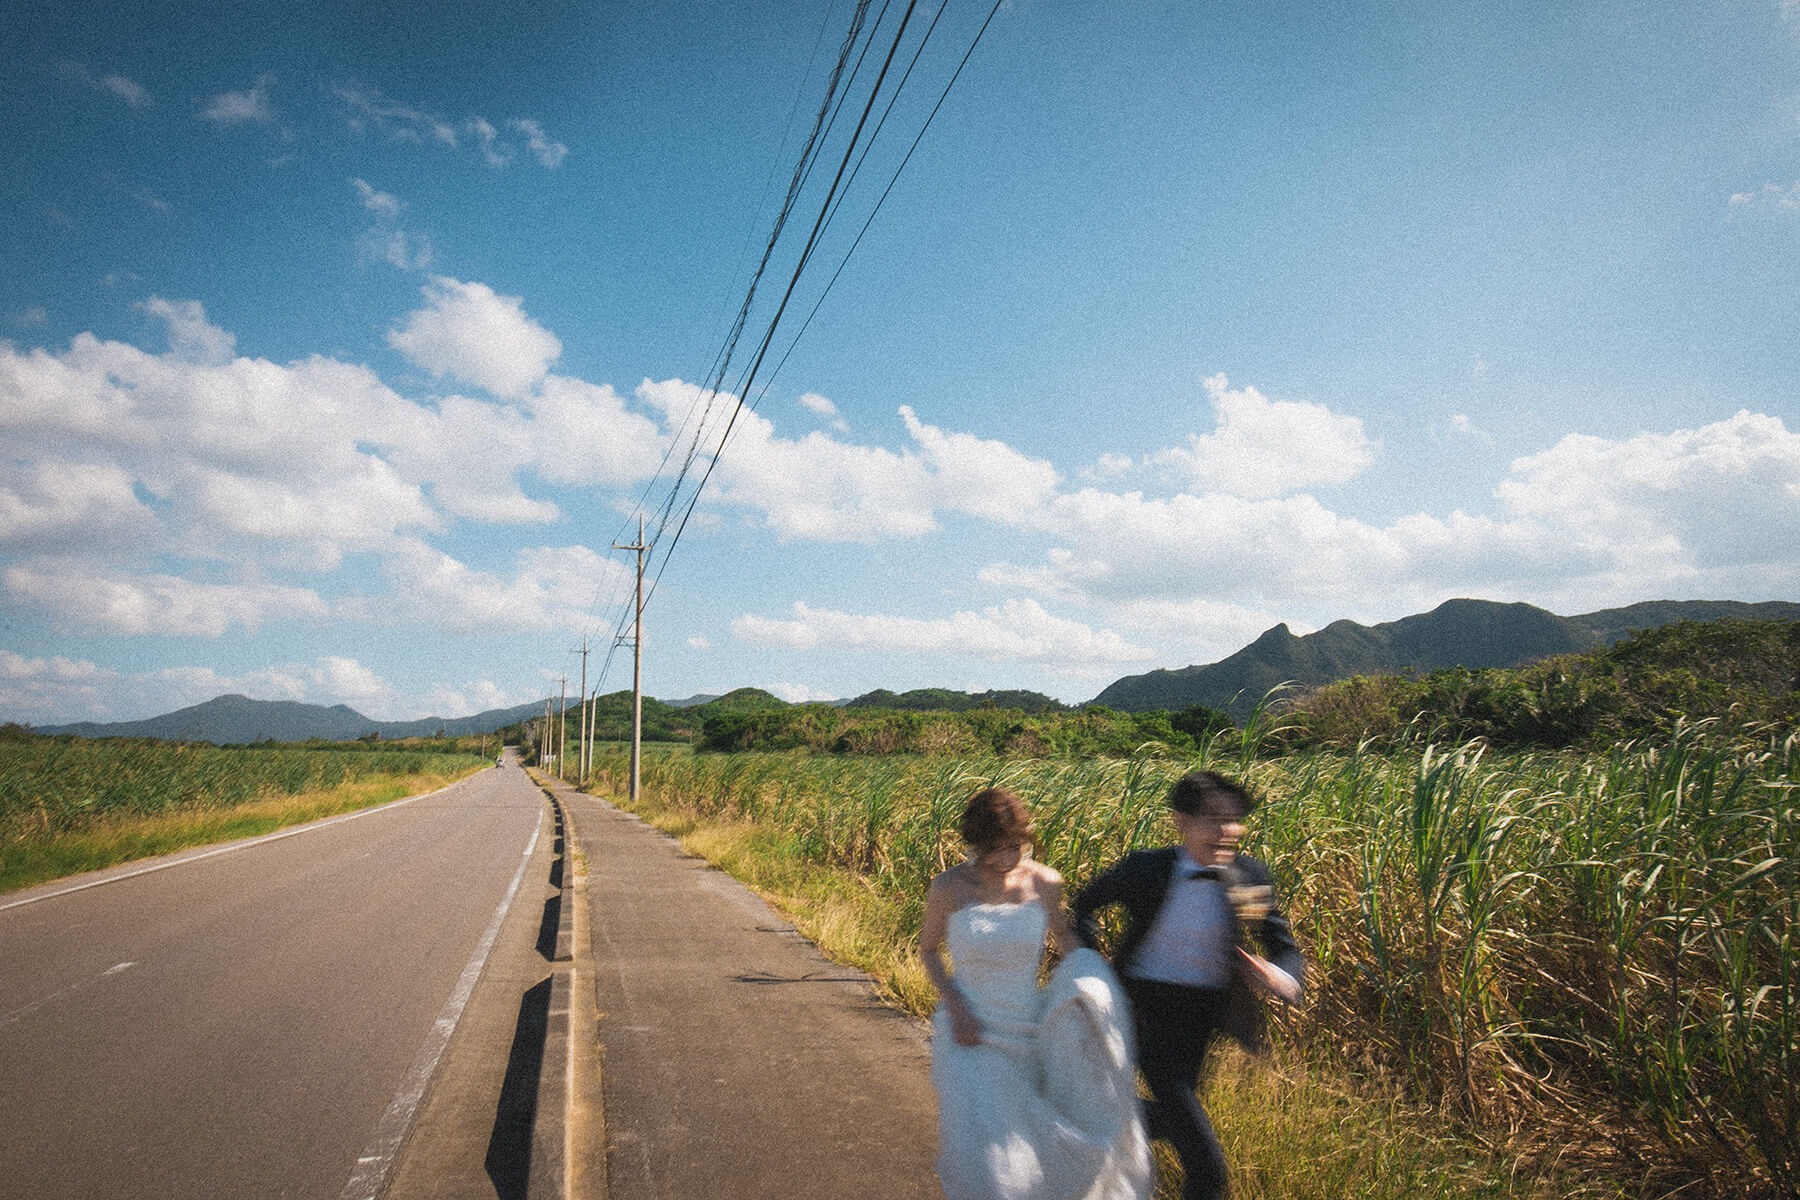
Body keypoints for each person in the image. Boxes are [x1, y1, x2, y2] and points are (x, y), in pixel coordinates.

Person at [1071, 771, 1303, 1200]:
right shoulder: (1147, 867)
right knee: (1205, 1160)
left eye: (1234, 820)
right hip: (1143, 1009)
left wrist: (1280, 976)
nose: (1227, 830)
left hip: (1203, 1018)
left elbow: (1281, 943)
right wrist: (1093, 964)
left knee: (1168, 1120)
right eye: (1213, 818)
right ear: (1180, 820)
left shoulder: (1248, 876)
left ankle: (1088, 1121)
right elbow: (1084, 904)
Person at [920, 787, 1151, 1200]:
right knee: (989, 1160)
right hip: (968, 1033)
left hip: (1027, 1028)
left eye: (1014, 847)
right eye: (994, 850)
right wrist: (956, 1008)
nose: (1006, 859)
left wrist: (1099, 986)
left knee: (1025, 1151)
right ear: (974, 845)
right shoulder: (948, 887)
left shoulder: (1044, 882)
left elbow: (1064, 939)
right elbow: (929, 951)